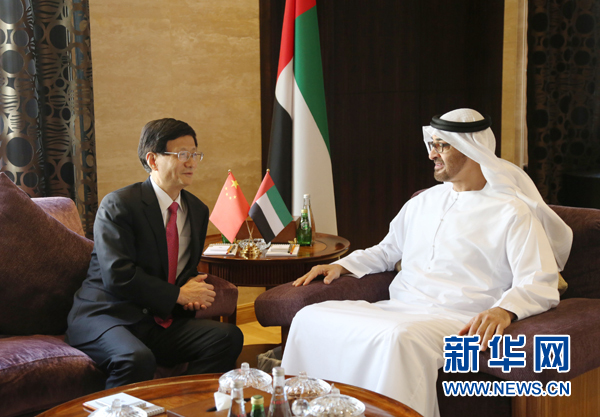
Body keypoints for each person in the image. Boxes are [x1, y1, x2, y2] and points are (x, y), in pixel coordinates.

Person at [281, 109, 572, 417]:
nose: (432, 154)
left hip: (459, 318)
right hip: (400, 308)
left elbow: (538, 280)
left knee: (399, 338)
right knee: (310, 317)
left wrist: (505, 310)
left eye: (442, 145)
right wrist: (343, 266)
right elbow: (388, 250)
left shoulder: (512, 211)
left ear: (471, 148)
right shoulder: (422, 202)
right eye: (432, 144)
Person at [66, 118, 243, 388]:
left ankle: (186, 403)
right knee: (135, 359)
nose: (192, 163)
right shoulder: (119, 205)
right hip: (107, 315)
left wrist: (191, 287)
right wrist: (179, 294)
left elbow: (181, 268)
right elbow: (118, 275)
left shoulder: (197, 210)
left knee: (228, 337)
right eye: (182, 155)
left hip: (154, 320)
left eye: (195, 154)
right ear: (153, 160)